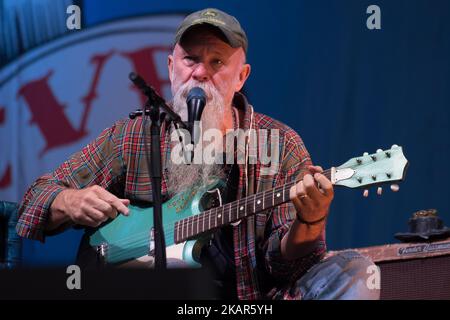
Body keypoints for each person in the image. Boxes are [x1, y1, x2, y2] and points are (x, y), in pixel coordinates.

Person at [16, 8, 379, 300]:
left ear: (242, 76)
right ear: (171, 67)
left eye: (218, 62)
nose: (201, 73)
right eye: (190, 60)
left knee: (354, 273)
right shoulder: (134, 136)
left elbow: (286, 266)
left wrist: (310, 221)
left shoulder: (279, 145)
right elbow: (35, 197)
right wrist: (68, 200)